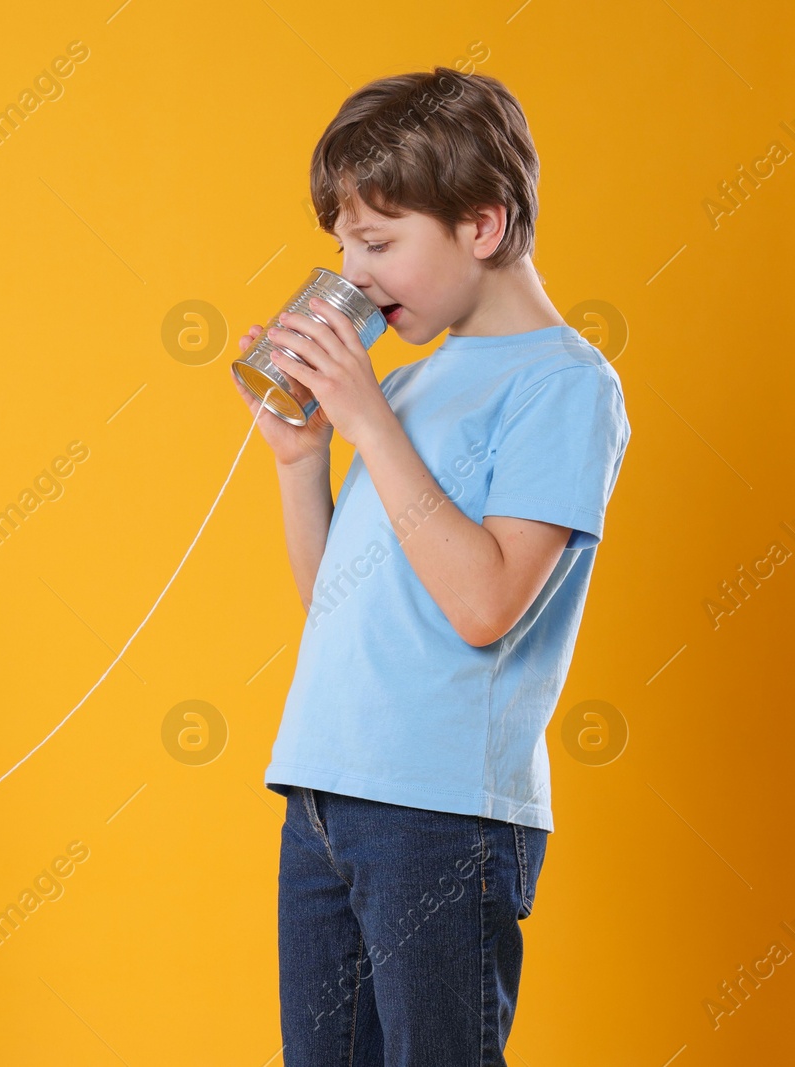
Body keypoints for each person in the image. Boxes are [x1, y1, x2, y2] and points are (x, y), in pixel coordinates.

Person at [233, 67, 630, 1065]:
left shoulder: (565, 386)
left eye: (378, 241)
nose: (353, 274)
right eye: (342, 247)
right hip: (324, 792)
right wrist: (301, 459)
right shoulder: (407, 388)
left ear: (482, 227)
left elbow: (485, 601)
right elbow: (335, 605)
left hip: (439, 810)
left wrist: (367, 421)